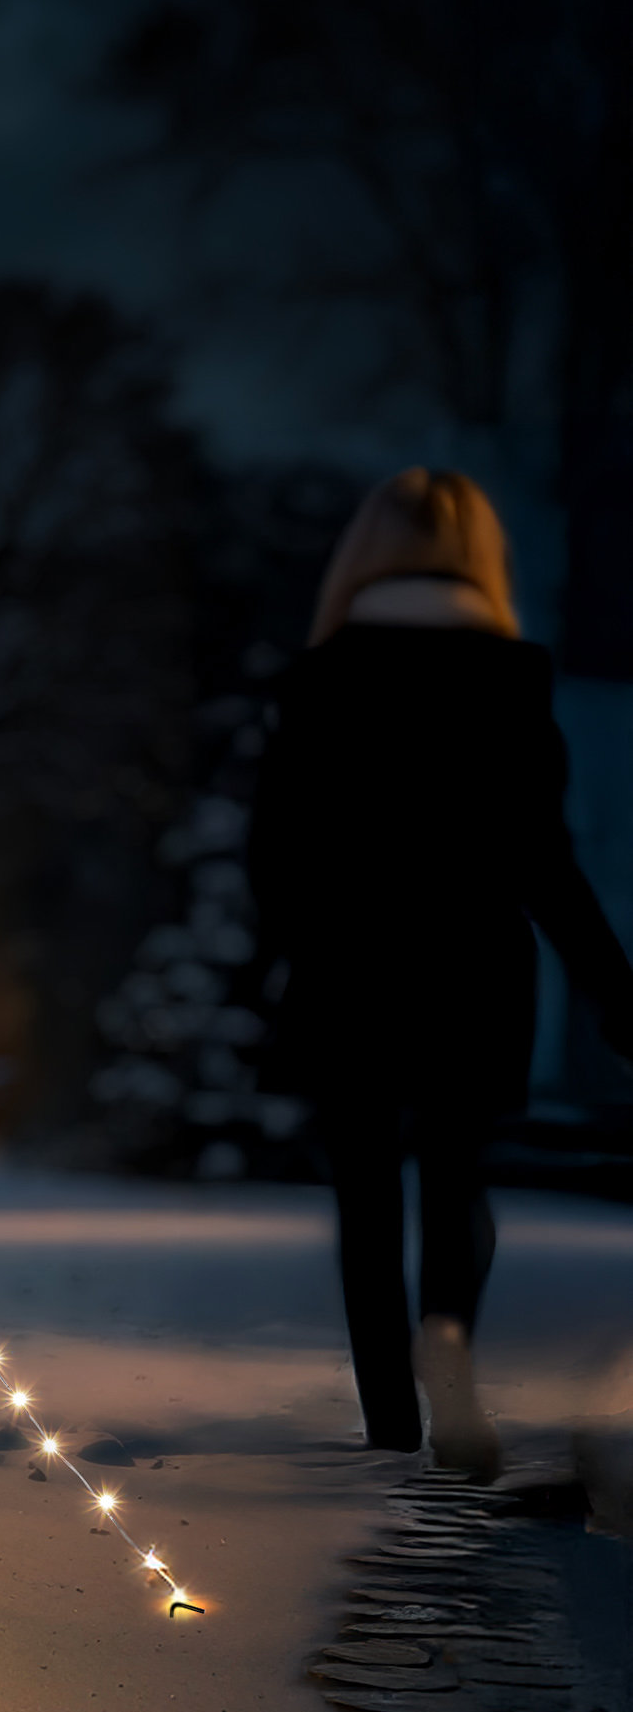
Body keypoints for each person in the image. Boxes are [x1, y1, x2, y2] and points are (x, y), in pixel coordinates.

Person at [248, 468, 633, 1478]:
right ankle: (448, 1338)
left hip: (348, 973)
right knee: (456, 1176)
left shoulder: (319, 685)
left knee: (365, 1201)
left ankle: (387, 1421)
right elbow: (543, 862)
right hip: (474, 969)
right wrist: (613, 989)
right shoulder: (508, 683)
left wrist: (283, 961)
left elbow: (274, 856)